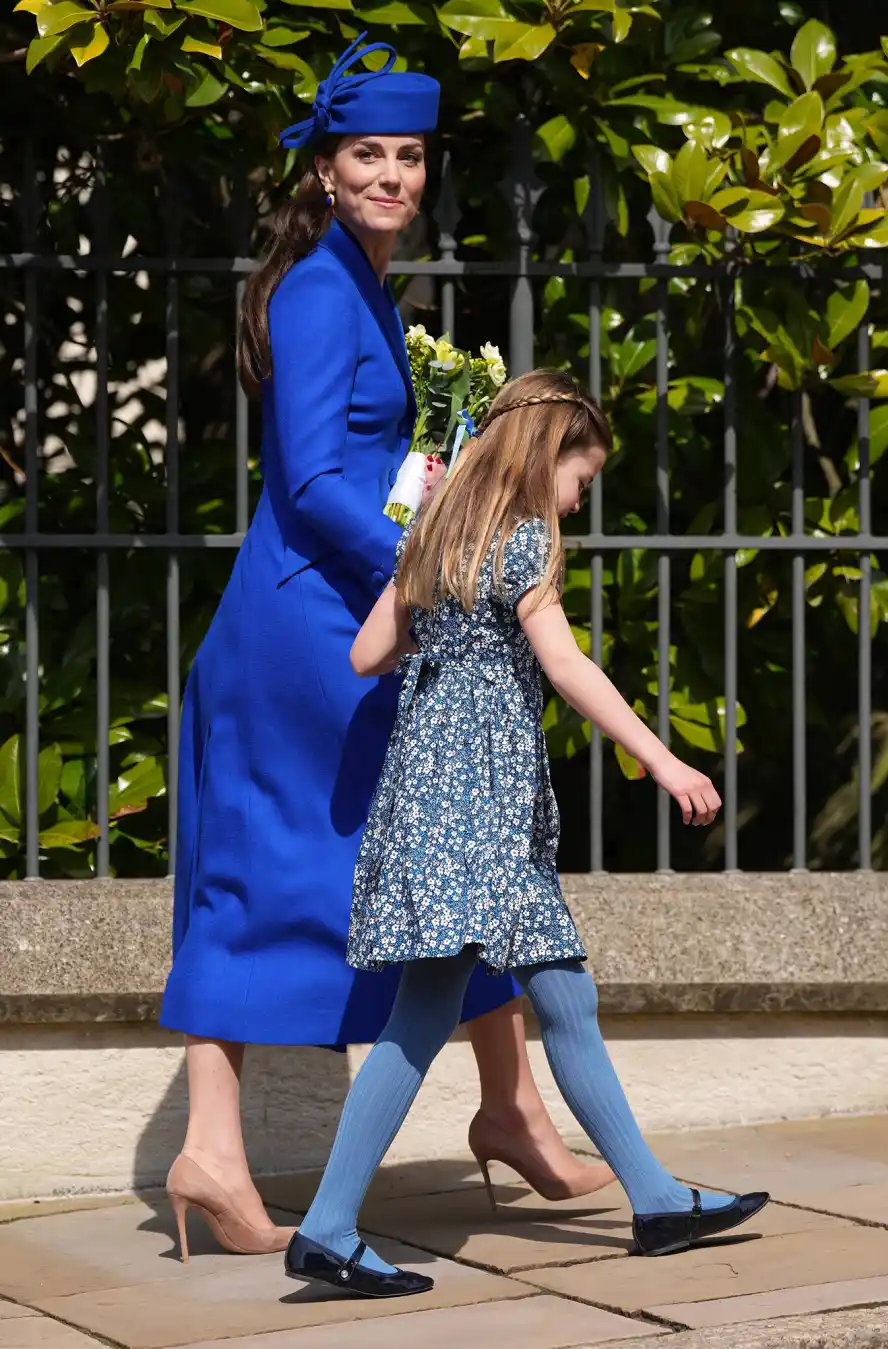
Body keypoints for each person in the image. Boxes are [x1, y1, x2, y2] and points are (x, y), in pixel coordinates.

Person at [159, 38, 611, 1263]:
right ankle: (214, 1143)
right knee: (298, 869)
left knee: (424, 847)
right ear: (324, 167)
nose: (392, 176)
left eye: (409, 157)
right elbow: (309, 483)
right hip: (312, 623)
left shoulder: (358, 280)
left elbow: (362, 470)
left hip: (352, 608)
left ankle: (507, 1098)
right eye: (369, 154)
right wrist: (438, 567)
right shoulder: (316, 287)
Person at [283, 369, 770, 1298]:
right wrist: (661, 759)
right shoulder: (526, 538)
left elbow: (365, 654)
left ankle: (654, 1198)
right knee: (446, 1012)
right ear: (547, 456)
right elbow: (564, 662)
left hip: (436, 799)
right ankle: (330, 1224)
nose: (580, 495)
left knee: (542, 1000)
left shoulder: (433, 536)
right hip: (484, 811)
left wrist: (438, 617)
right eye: (581, 475)